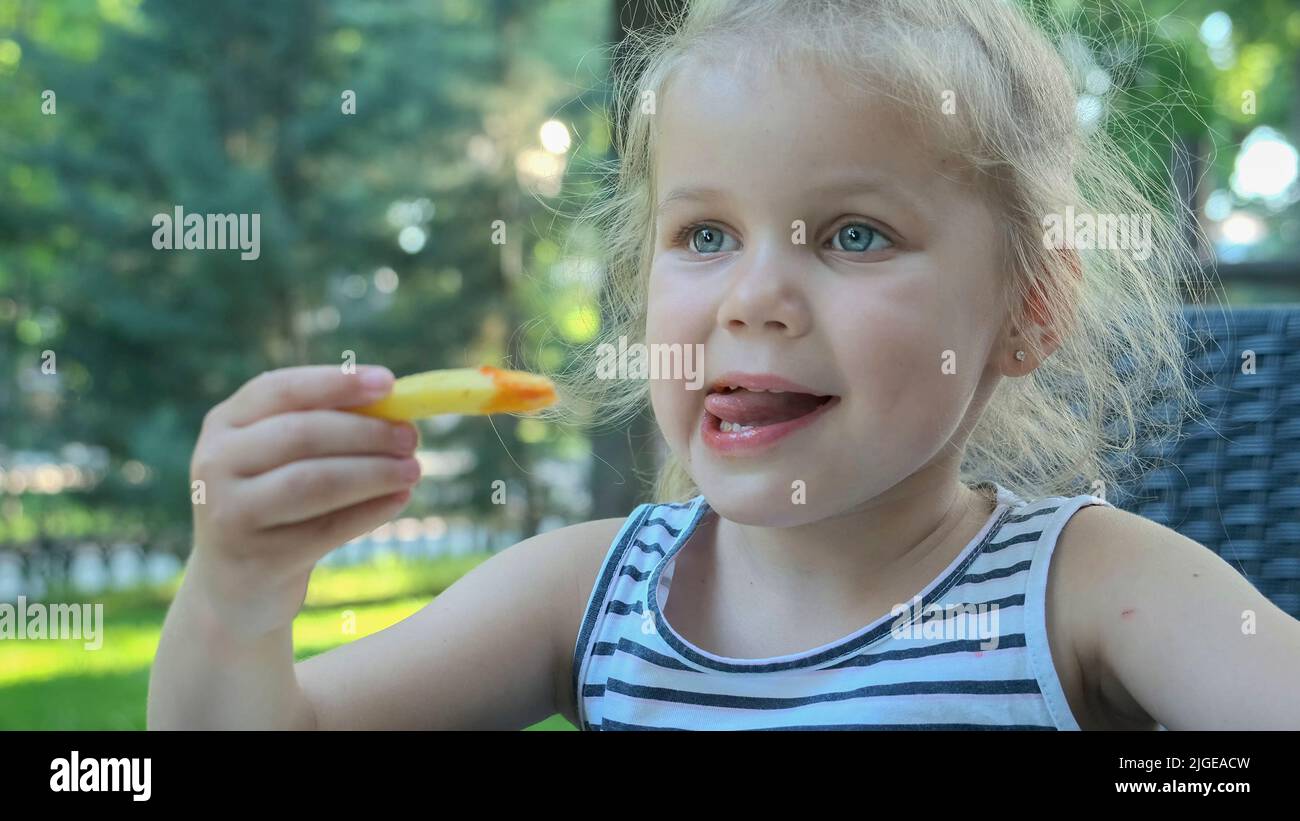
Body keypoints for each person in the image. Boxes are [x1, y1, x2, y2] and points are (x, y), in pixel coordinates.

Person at [148, 0, 1300, 730]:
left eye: (855, 234)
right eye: (703, 235)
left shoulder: (1088, 588)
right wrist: (237, 592)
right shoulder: (583, 596)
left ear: (1030, 305)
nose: (753, 296)